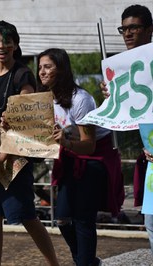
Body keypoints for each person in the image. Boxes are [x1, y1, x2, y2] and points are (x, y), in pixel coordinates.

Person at [0, 20, 59, 266]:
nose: (1, 46)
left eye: (6, 41)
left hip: (14, 157)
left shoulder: (23, 74)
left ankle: (54, 263)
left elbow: (26, 120)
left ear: (15, 44)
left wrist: (3, 156)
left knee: (26, 215)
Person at [39, 48, 123, 265]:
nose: (42, 71)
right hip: (69, 158)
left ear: (62, 69)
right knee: (63, 220)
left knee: (83, 219)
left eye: (48, 66)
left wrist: (64, 141)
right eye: (40, 67)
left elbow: (89, 146)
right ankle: (87, 262)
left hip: (93, 160)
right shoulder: (46, 101)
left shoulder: (81, 99)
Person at [101, 4, 153, 255]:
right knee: (152, 224)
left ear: (150, 30)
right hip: (151, 160)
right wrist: (113, 98)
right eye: (124, 28)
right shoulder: (126, 69)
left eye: (134, 27)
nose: (128, 33)